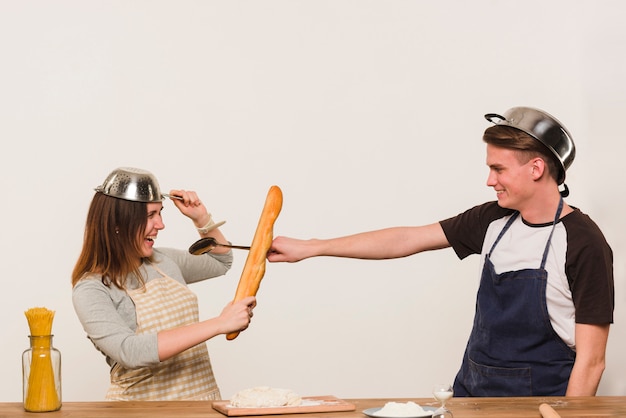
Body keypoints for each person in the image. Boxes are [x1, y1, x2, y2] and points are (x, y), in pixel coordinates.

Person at [267, 107, 614, 397]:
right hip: (472, 394)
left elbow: (592, 360)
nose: (490, 181)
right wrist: (312, 248)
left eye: (498, 169)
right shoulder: (492, 220)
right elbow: (406, 239)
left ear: (536, 169)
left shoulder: (583, 243)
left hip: (537, 405)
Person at [72, 167, 256, 401]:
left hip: (200, 405)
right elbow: (129, 351)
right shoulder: (91, 289)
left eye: (160, 213)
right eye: (150, 215)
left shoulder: (163, 261)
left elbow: (220, 260)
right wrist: (219, 324)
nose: (160, 225)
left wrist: (201, 218)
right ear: (118, 223)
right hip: (140, 412)